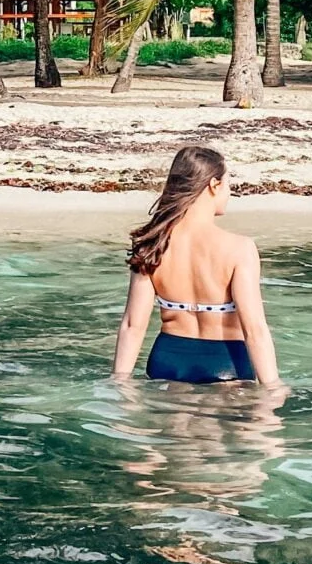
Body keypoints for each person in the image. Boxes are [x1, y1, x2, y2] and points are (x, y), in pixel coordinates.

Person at [111, 144, 280, 386]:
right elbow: (255, 330)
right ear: (213, 185)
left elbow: (132, 325)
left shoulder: (152, 244)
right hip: (226, 362)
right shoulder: (239, 248)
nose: (230, 193)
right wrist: (272, 389)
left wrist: (119, 382)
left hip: (166, 360)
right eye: (228, 184)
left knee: (174, 424)